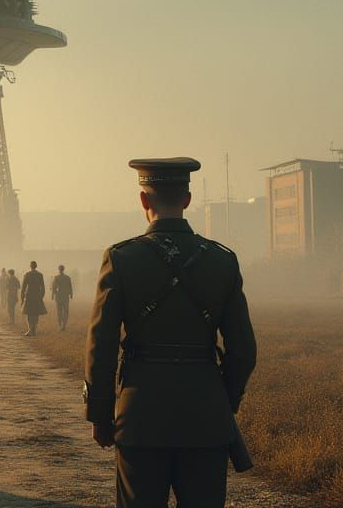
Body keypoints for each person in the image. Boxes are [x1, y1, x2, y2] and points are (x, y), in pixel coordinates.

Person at [85, 157, 257, 508]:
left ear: (144, 201)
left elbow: (101, 347)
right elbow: (243, 350)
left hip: (141, 416)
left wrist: (101, 415)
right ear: (188, 199)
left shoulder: (121, 258)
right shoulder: (222, 260)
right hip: (206, 417)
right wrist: (223, 401)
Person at [20, 260, 47, 336]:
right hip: (37, 296)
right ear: (36, 266)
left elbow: (23, 288)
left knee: (29, 313)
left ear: (30, 266)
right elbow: (43, 287)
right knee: (36, 313)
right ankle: (33, 329)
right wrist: (41, 296)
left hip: (29, 296)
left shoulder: (27, 274)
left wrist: (22, 298)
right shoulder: (40, 275)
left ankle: (30, 329)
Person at [51, 264, 74, 331]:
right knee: (66, 311)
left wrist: (53, 295)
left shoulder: (56, 277)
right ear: (63, 269)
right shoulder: (67, 277)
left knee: (59, 311)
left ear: (59, 269)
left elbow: (53, 287)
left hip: (58, 296)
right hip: (65, 296)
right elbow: (70, 287)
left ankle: (60, 325)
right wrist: (71, 294)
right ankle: (63, 325)